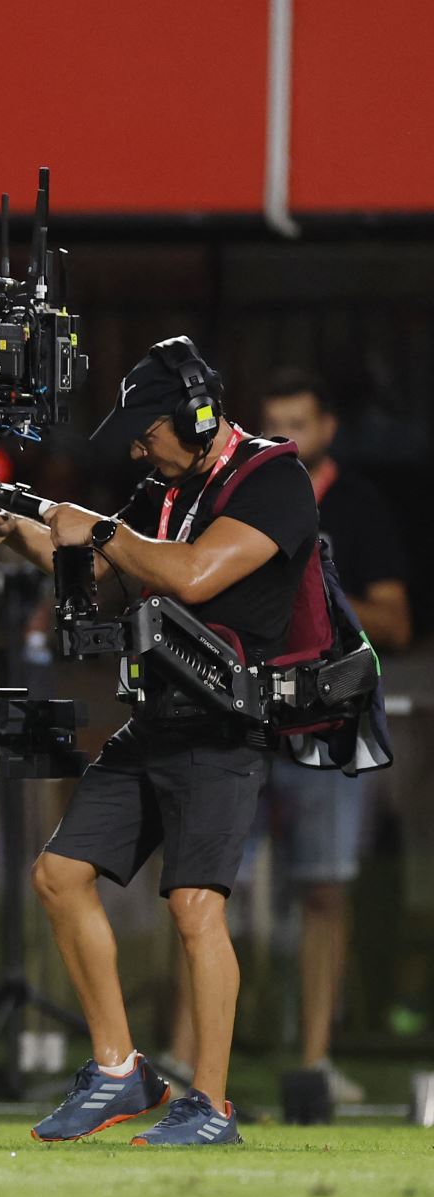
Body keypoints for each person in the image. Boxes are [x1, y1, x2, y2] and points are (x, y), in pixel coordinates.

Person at [0, 336, 319, 1147]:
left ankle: (211, 1106)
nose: (138, 445)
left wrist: (93, 528)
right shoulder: (165, 491)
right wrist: (25, 529)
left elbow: (193, 575)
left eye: (148, 430)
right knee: (60, 876)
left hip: (226, 724)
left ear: (198, 417)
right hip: (156, 716)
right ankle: (119, 1069)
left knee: (195, 908)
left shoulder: (275, 481)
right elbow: (110, 573)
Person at [251, 369, 412, 1101]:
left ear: (327, 430)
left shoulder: (360, 507)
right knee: (203, 886)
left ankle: (314, 1064)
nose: (285, 440)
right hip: (244, 722)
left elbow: (397, 623)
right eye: (272, 427)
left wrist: (318, 592)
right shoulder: (239, 501)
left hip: (327, 720)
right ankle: (193, 1062)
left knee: (325, 891)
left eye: (299, 425)